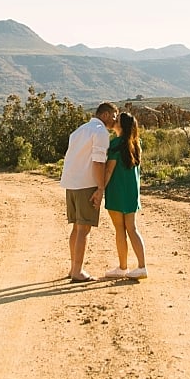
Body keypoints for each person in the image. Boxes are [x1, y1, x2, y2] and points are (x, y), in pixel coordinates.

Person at [60, 102, 117, 282]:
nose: (115, 120)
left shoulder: (79, 131)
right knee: (84, 229)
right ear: (106, 115)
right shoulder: (100, 132)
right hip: (86, 184)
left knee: (77, 228)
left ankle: (73, 268)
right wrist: (100, 188)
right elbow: (98, 162)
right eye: (114, 116)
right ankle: (78, 271)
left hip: (71, 183)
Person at [100, 111, 148, 279]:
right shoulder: (136, 143)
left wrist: (100, 189)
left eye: (117, 120)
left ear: (121, 125)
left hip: (117, 191)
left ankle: (123, 267)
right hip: (131, 192)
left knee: (120, 229)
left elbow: (109, 170)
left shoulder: (115, 144)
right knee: (132, 228)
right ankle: (142, 266)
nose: (114, 122)